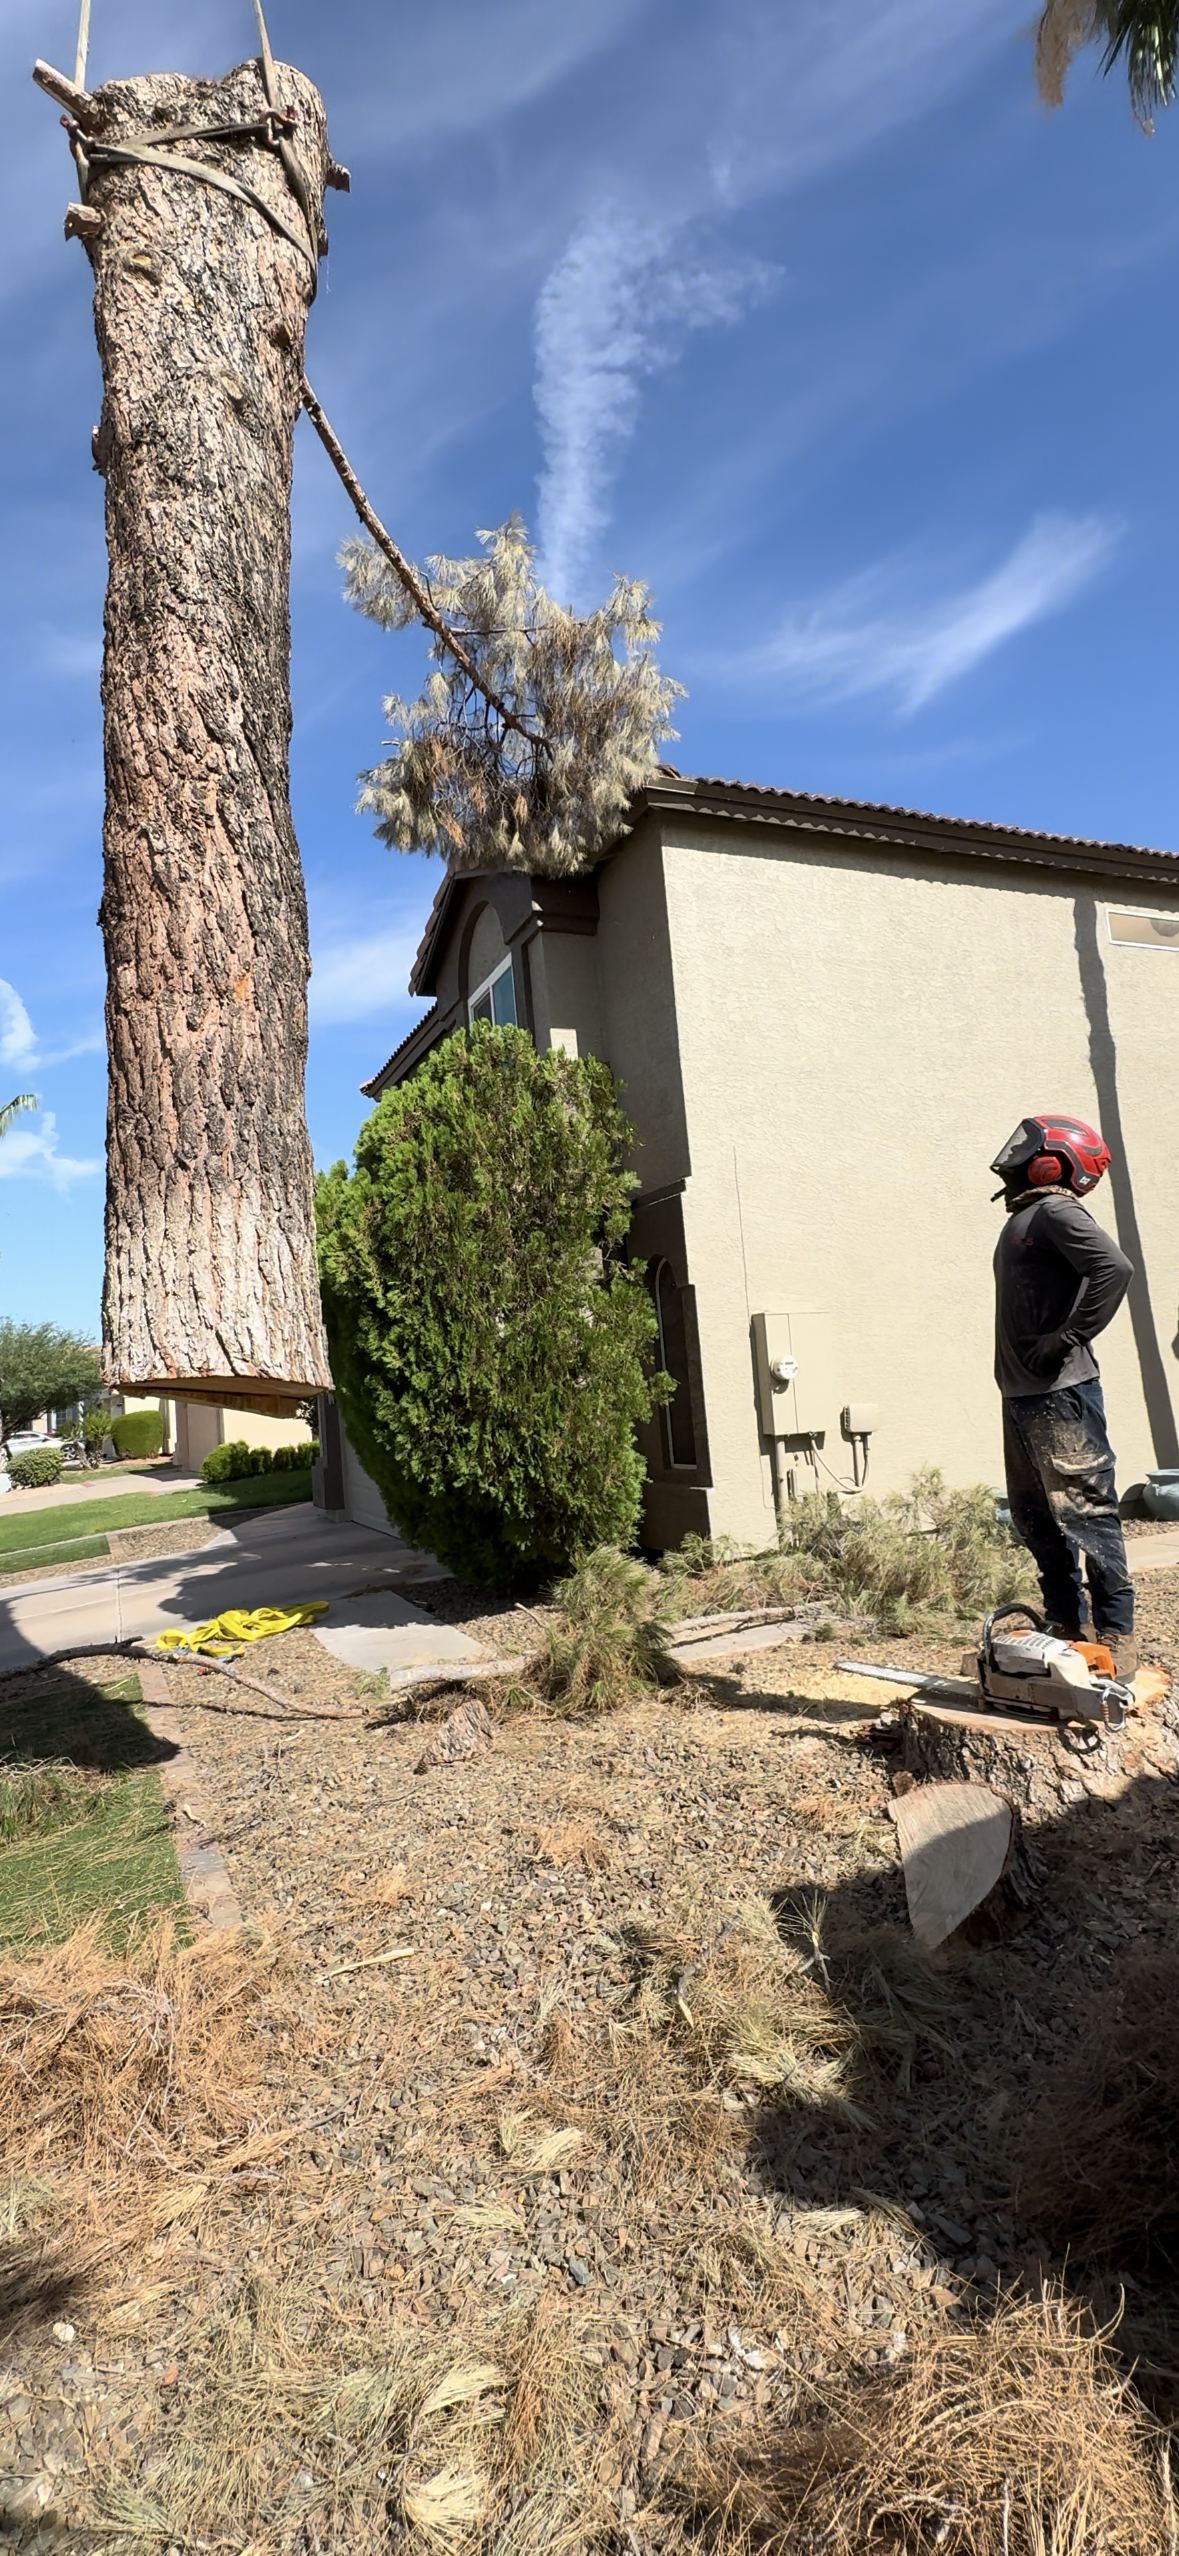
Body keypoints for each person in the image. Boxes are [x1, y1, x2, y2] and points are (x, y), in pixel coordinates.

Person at [991, 1112, 1137, 1676]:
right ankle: (1065, 1625)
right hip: (1024, 1397)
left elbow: (1114, 1268)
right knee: (1036, 1518)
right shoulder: (1027, 1216)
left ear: (1055, 1163)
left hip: (1062, 1393)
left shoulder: (1056, 1210)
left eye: (1029, 1149)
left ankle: (1117, 1637)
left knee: (1087, 1514)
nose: (1015, 1156)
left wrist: (1067, 1338)